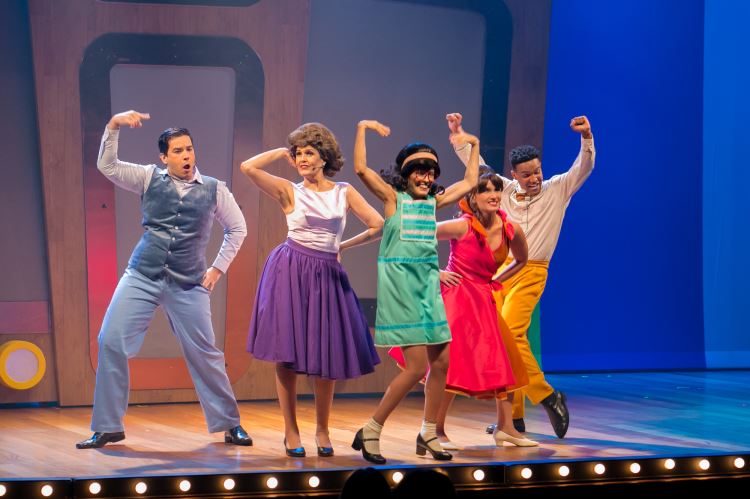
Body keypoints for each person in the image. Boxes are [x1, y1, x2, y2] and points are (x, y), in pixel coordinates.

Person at [77, 110, 251, 449]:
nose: (186, 156)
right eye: (178, 151)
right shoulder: (147, 177)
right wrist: (113, 126)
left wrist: (217, 269)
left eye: (189, 149)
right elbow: (107, 166)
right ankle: (108, 426)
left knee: (205, 352)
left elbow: (237, 228)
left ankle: (230, 424)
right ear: (164, 157)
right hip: (142, 274)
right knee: (110, 340)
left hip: (187, 282)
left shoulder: (214, 189)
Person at [448, 113, 595, 438]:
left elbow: (583, 168)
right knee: (501, 340)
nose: (534, 178)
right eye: (526, 174)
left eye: (537, 171)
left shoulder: (557, 188)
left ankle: (547, 395)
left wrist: (586, 137)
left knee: (512, 333)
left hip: (531, 270)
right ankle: (513, 419)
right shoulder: (504, 189)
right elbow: (478, 166)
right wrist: (458, 135)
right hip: (499, 273)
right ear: (514, 174)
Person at [243, 123, 383, 458]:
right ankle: (290, 430)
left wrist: (342, 245)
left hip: (327, 274)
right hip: (290, 270)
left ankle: (322, 428)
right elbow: (248, 167)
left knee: (327, 352)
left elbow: (378, 224)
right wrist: (281, 152)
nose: (303, 159)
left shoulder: (343, 191)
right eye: (298, 154)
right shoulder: (289, 190)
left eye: (309, 152)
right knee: (287, 353)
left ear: (324, 157)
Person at [350, 119, 479, 464]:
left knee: (442, 362)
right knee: (416, 367)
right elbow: (361, 169)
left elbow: (470, 181)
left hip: (427, 289)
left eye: (430, 173)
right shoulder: (394, 200)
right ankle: (372, 429)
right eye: (419, 172)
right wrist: (362, 128)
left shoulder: (433, 203)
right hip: (401, 289)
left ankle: (428, 433)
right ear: (406, 175)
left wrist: (474, 143)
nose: (426, 179)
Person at [430, 168, 537, 448]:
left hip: (483, 298)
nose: (493, 194)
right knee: (451, 365)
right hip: (457, 299)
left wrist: (496, 280)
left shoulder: (511, 228)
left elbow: (522, 260)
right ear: (471, 197)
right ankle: (435, 430)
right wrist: (436, 272)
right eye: (485, 190)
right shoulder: (461, 226)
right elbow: (413, 238)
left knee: (507, 359)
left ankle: (506, 428)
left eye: (496, 189)